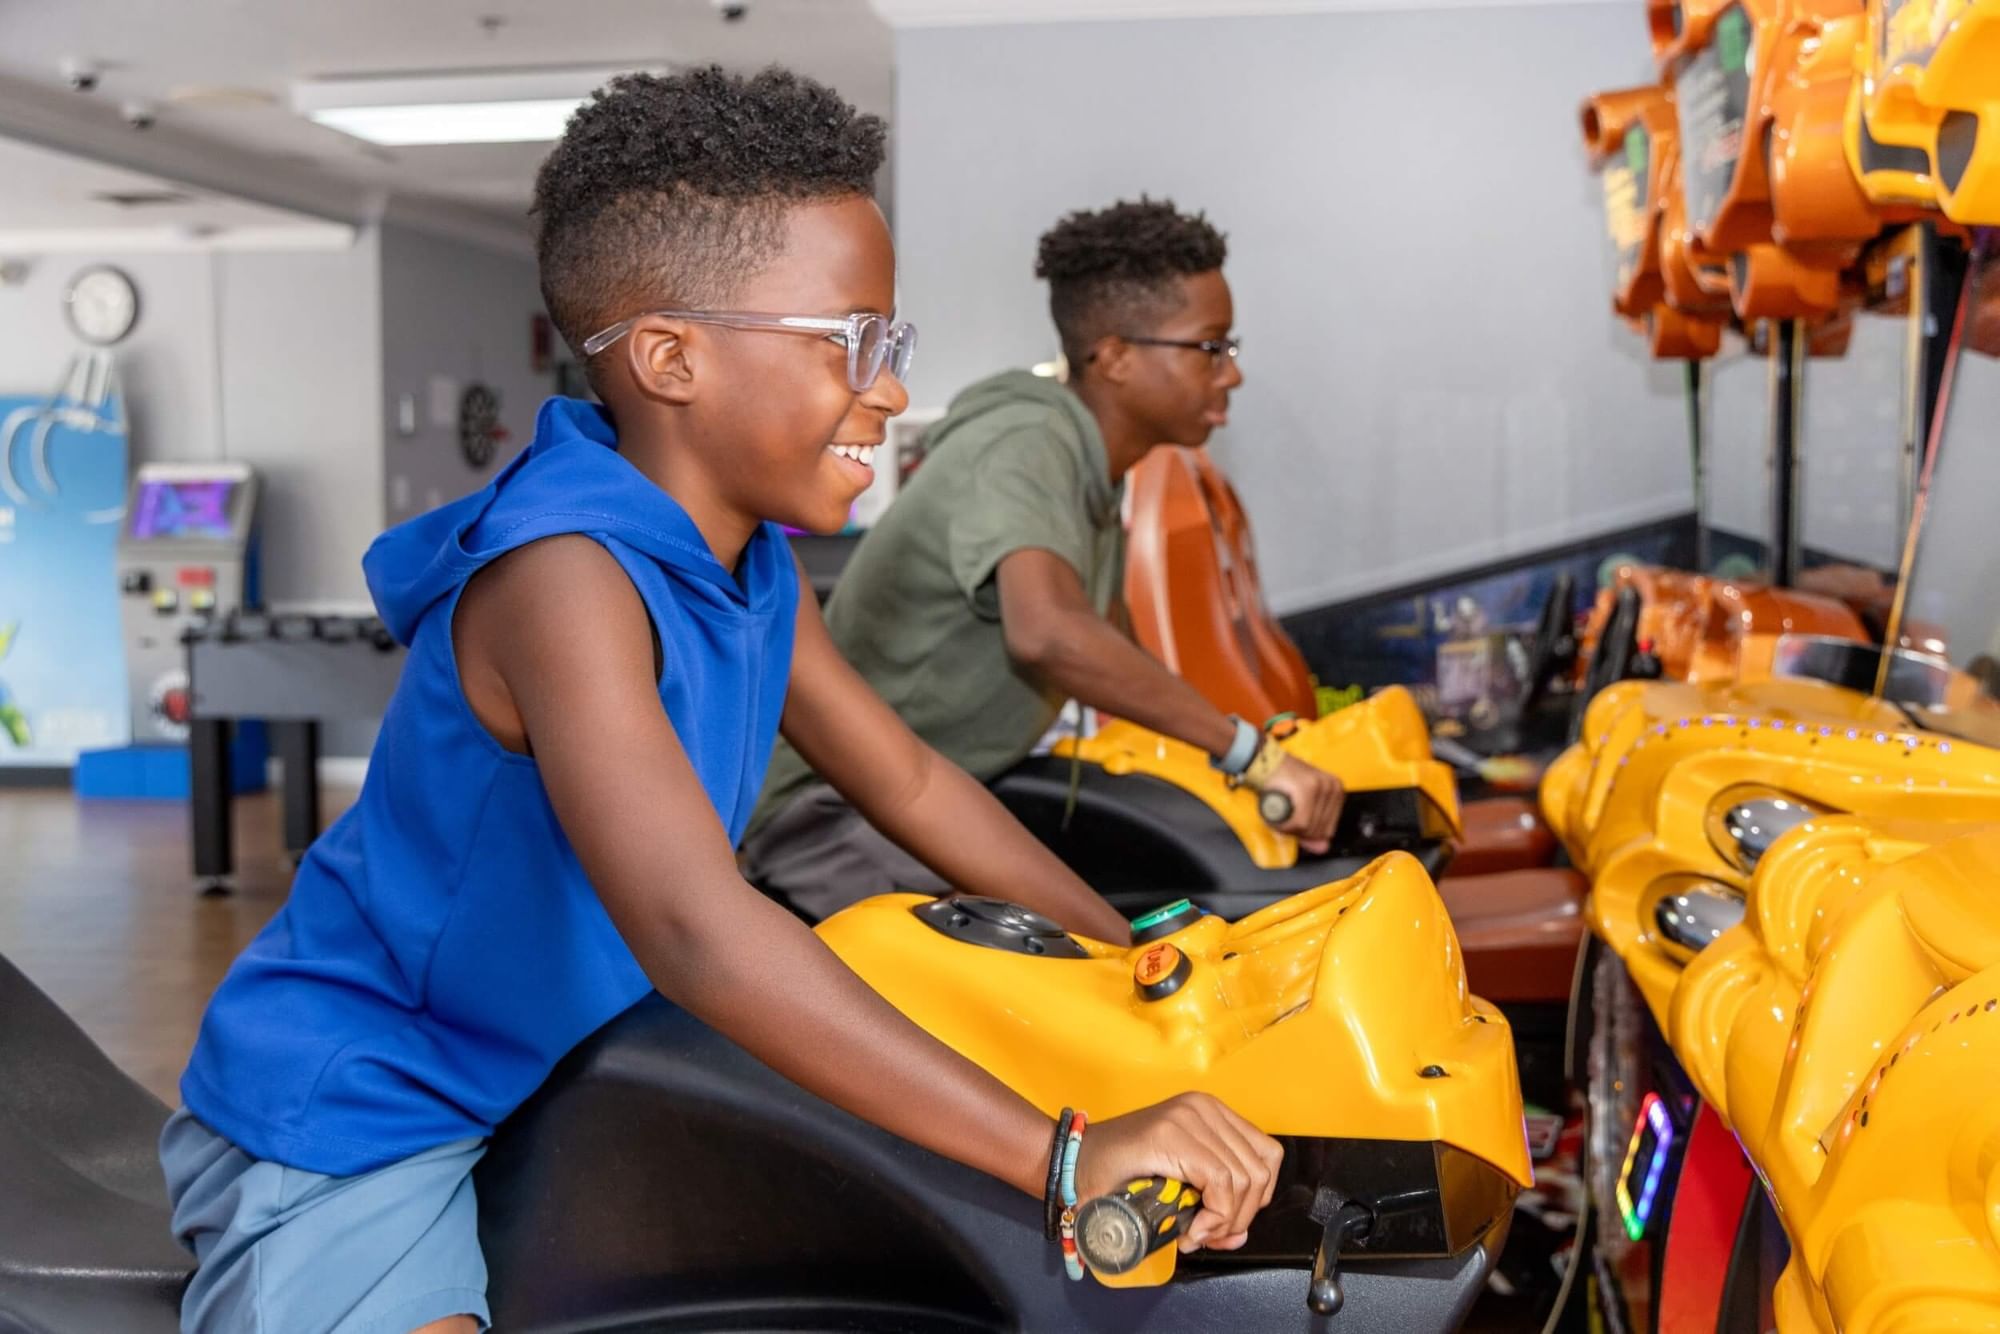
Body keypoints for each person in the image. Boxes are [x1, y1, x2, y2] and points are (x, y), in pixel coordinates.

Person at [158, 68, 1279, 1334]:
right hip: (361, 1110)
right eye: (851, 341)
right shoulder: (565, 577)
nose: (888, 388)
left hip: (565, 1067)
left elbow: (908, 780)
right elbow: (695, 925)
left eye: (891, 343)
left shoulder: (750, 564)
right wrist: (1062, 1157)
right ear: (670, 357)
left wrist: (1132, 958)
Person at [745, 198, 1347, 919]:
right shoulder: (1024, 442)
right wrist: (1252, 756)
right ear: (1115, 357)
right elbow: (1051, 632)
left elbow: (1116, 656)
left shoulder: (1094, 473)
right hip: (830, 819)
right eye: (1210, 348)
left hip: (940, 798)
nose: (1231, 374)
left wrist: (1249, 752)